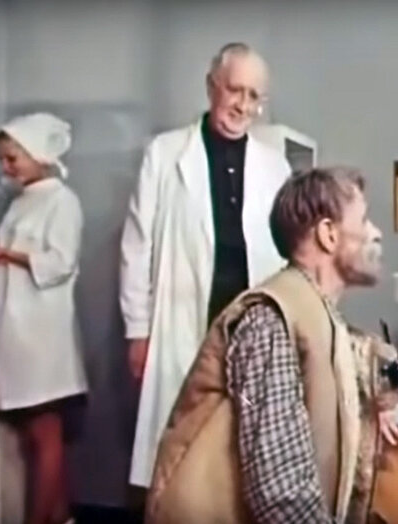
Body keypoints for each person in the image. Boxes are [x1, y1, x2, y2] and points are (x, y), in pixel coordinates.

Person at [146, 167, 398, 524]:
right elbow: (280, 495)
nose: (376, 233)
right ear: (328, 234)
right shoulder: (271, 319)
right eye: (364, 220)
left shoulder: (314, 312)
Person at [120, 42, 291, 487]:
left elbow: (288, 253)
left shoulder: (275, 166)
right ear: (212, 86)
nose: (243, 106)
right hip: (181, 322)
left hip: (247, 326)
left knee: (242, 449)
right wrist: (137, 330)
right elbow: (137, 246)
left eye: (254, 96)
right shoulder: (165, 153)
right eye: (235, 90)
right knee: (180, 449)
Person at [0, 113, 88, 524]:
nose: (6, 167)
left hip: (43, 335)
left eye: (13, 158)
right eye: (2, 160)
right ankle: (60, 516)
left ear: (39, 154)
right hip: (15, 330)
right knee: (35, 435)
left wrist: (4, 254)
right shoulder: (20, 202)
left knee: (45, 432)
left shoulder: (63, 201)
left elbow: (60, 262)